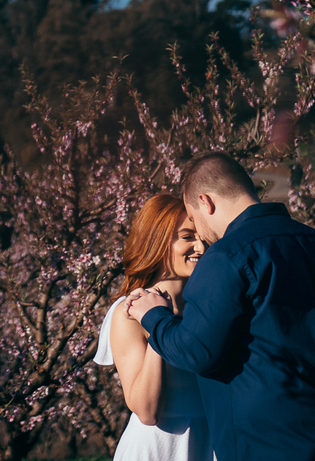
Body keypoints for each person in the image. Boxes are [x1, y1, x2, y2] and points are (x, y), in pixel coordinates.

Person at [126, 151, 315, 461]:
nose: (201, 237)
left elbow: (196, 351)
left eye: (194, 219)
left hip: (275, 445)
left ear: (205, 202)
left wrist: (155, 317)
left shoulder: (227, 256)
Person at [95, 194, 213, 461]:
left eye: (202, 238)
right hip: (157, 449)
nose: (201, 248)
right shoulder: (128, 313)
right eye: (187, 237)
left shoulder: (209, 306)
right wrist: (159, 322)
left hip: (209, 443)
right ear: (158, 241)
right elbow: (146, 411)